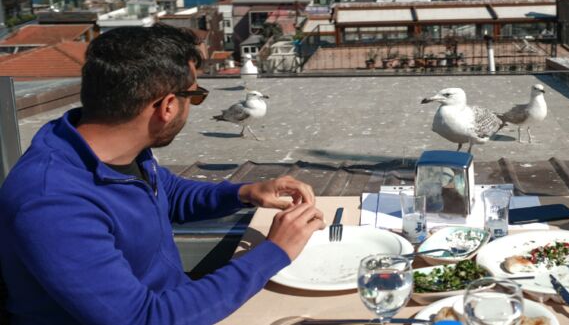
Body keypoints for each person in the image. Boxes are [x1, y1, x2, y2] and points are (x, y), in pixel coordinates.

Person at [0, 24, 326, 324]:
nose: (193, 105)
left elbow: (164, 191)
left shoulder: (110, 148)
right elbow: (143, 319)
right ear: (167, 106)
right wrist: (274, 252)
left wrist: (243, 193)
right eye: (195, 96)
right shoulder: (51, 204)